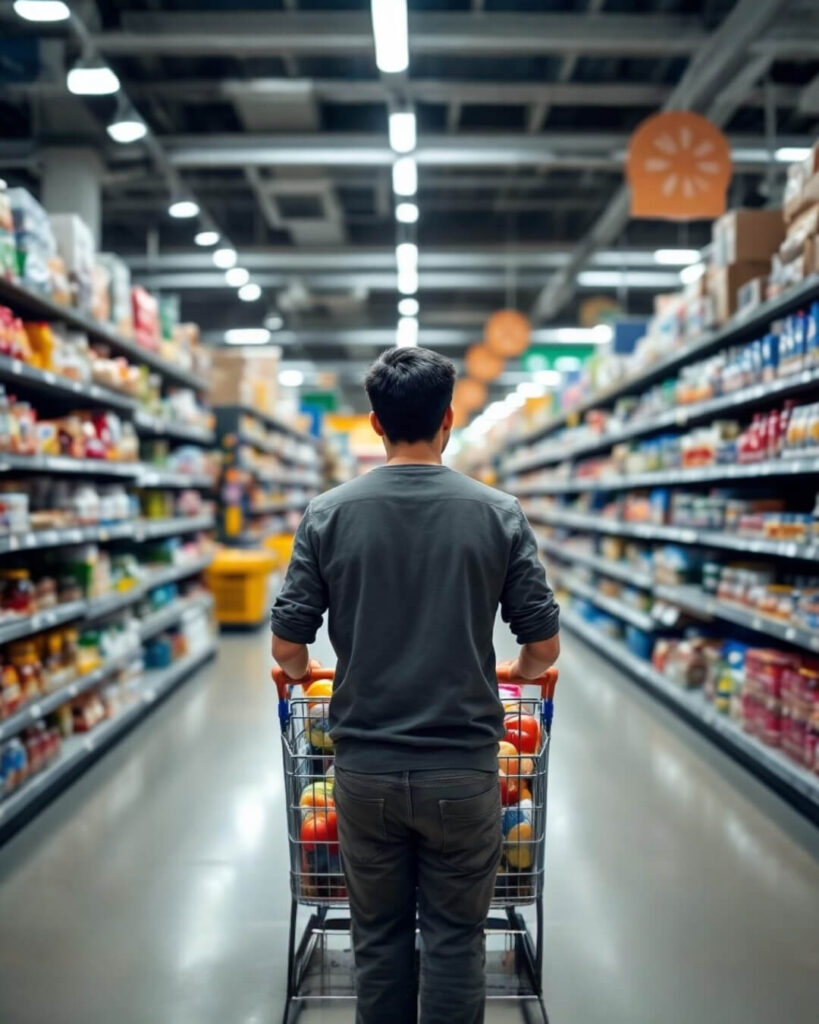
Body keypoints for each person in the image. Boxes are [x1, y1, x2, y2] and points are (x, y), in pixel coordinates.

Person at [271, 346, 560, 1024]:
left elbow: (289, 645)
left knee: (377, 939)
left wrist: (300, 674)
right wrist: (514, 675)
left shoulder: (327, 513)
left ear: (374, 423)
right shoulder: (497, 513)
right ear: (448, 420)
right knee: (457, 941)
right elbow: (540, 644)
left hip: (364, 771)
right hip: (463, 773)